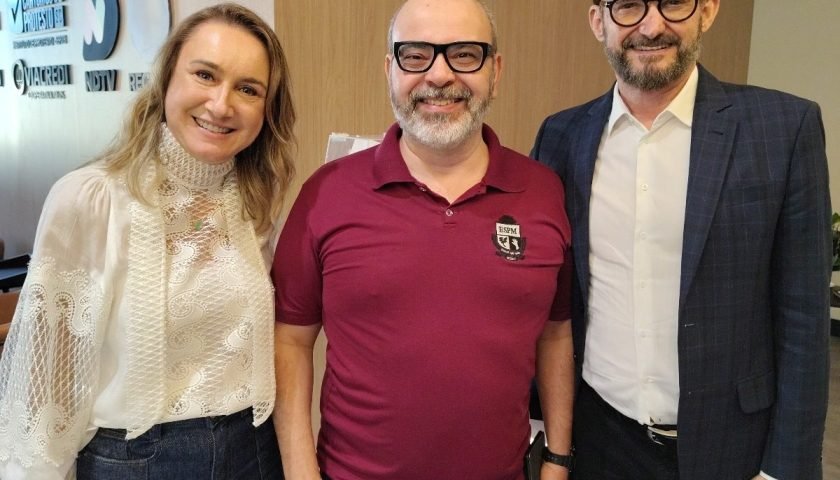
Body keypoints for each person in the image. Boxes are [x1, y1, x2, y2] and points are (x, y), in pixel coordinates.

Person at [271, 1, 575, 479]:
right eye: (415, 55)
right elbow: (290, 340)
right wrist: (300, 472)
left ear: (495, 71)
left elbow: (555, 332)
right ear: (390, 70)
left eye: (465, 54)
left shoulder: (543, 192)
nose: (439, 75)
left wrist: (557, 459)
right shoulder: (327, 193)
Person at [531, 0, 830, 479]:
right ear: (598, 21)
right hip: (600, 441)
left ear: (707, 11)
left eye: (672, 3)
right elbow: (549, 297)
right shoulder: (561, 136)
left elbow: (804, 318)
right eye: (628, 6)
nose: (652, 26)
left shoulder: (782, 129)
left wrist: (784, 470)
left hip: (733, 447)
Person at [0, 3, 295, 479]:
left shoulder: (255, 202)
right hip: (138, 461)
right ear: (167, 79)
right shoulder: (91, 198)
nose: (222, 104)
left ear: (267, 109)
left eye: (248, 89)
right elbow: (43, 392)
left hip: (253, 451)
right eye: (205, 75)